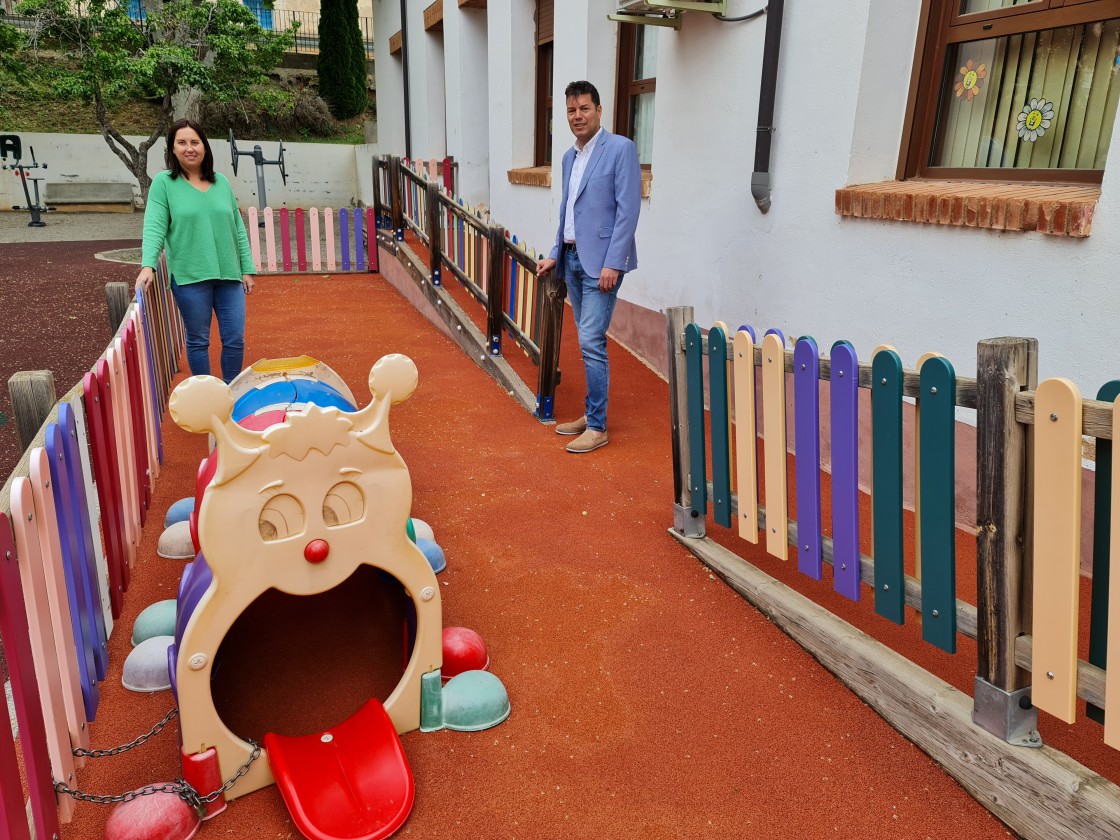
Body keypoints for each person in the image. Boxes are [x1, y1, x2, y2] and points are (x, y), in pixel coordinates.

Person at [536, 80, 641, 454]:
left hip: (603, 266)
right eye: (570, 110)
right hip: (573, 260)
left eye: (584, 108)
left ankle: (597, 427)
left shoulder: (620, 149)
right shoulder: (569, 157)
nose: (577, 116)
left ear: (599, 111)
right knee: (586, 342)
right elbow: (568, 212)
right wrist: (554, 253)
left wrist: (615, 262)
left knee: (590, 341)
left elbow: (628, 211)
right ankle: (591, 412)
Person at [136, 118, 256, 383]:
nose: (189, 148)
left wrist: (246, 268)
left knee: (234, 338)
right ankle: (207, 397)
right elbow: (154, 227)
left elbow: (237, 228)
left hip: (229, 274)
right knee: (199, 340)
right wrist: (148, 265)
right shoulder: (164, 184)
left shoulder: (221, 182)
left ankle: (231, 392)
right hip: (190, 276)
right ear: (172, 150)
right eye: (182, 143)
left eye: (194, 142)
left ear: (204, 146)